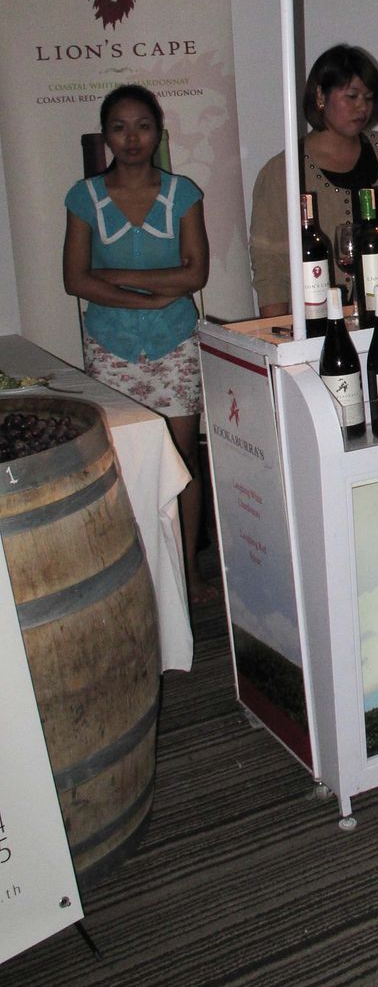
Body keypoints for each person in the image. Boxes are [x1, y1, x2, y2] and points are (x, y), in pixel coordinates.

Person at [63, 84, 213, 603]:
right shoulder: (84, 197)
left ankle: (188, 571)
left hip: (175, 343)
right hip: (112, 346)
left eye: (143, 126)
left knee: (182, 458)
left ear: (159, 133)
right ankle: (136, 576)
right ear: (105, 135)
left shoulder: (183, 194)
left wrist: (116, 279)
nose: (132, 138)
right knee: (124, 463)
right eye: (120, 127)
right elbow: (75, 280)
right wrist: (149, 298)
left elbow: (195, 274)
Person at [249, 44, 378, 316]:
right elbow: (270, 268)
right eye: (352, 96)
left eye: (369, 97)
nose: (362, 107)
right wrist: (277, 333)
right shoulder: (283, 172)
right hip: (328, 323)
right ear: (320, 95)